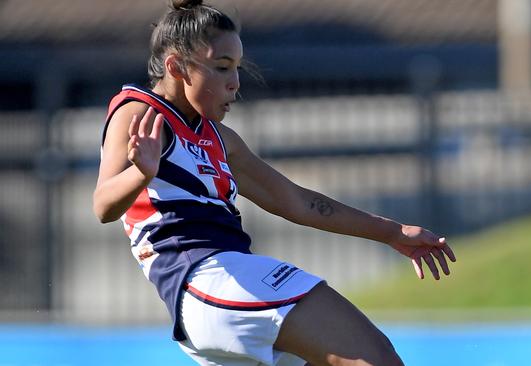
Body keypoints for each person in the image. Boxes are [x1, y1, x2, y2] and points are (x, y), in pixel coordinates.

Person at [93, 1, 456, 365]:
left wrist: (392, 232)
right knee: (376, 358)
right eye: (222, 68)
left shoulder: (222, 138)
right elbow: (103, 206)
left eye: (237, 68)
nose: (234, 83)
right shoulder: (139, 112)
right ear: (176, 67)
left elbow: (298, 203)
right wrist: (140, 173)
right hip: (206, 279)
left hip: (222, 301)